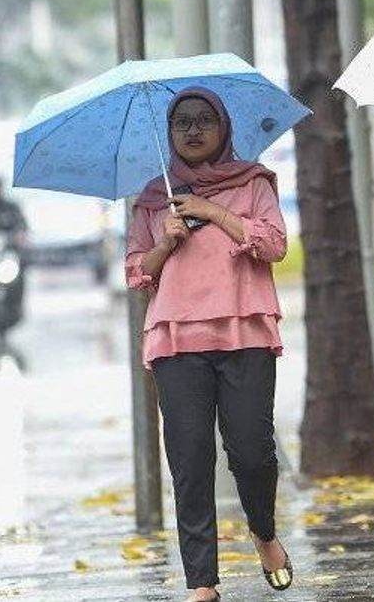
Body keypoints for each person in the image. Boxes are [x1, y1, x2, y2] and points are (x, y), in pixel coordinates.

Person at [125, 87, 292, 602]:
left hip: (245, 334)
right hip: (178, 340)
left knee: (252, 453)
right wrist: (166, 241)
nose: (193, 130)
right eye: (182, 123)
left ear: (223, 127)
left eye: (204, 120)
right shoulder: (155, 196)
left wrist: (211, 211)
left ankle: (263, 531)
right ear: (171, 134)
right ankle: (202, 580)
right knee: (190, 461)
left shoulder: (254, 183)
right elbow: (135, 272)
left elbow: (275, 245)